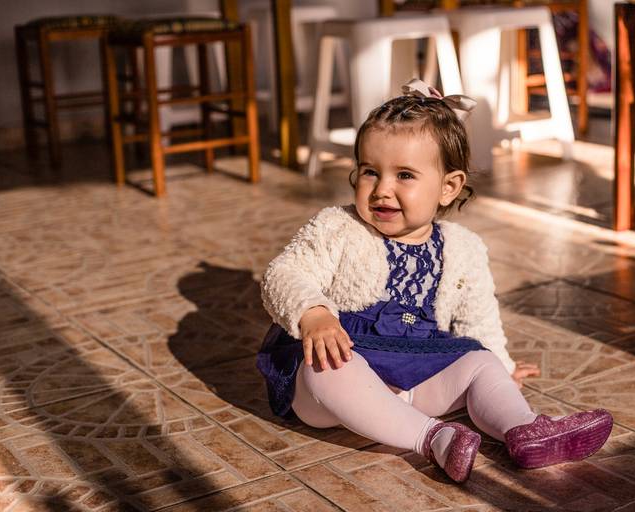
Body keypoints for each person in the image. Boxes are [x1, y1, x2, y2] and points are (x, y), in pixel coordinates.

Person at [256, 79, 612, 483]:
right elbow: (283, 273)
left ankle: (523, 428)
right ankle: (433, 438)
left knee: (480, 361)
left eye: (404, 175)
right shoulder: (337, 228)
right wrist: (313, 314)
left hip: (418, 370)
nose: (382, 190)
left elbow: (479, 318)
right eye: (370, 172)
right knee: (327, 367)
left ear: (448, 187)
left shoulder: (464, 248)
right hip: (340, 376)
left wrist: (503, 367)